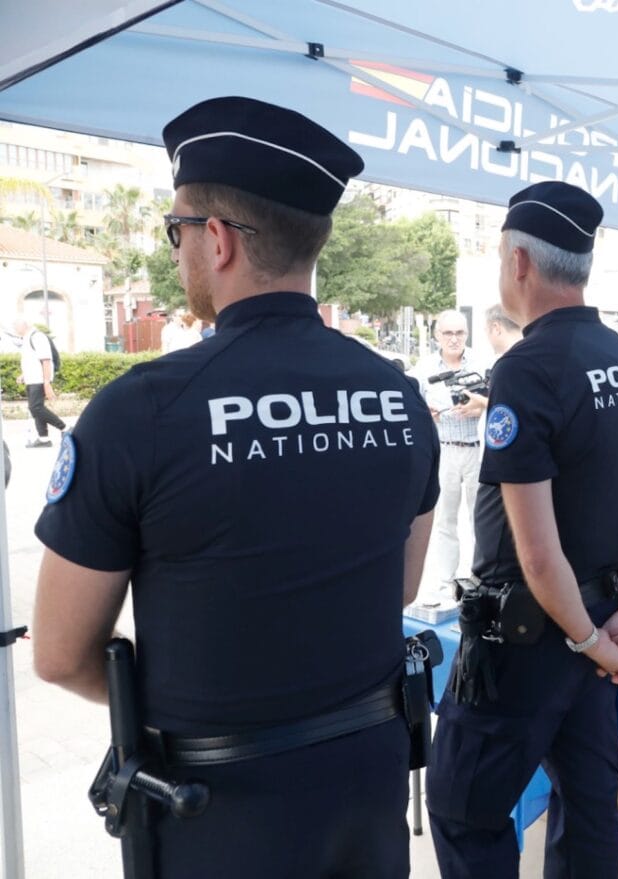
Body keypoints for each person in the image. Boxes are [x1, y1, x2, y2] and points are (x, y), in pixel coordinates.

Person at [30, 96, 440, 878]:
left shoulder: (141, 409)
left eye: (176, 231)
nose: (178, 251)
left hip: (218, 813)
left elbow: (57, 652)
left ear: (215, 240)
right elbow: (400, 583)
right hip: (366, 787)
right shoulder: (399, 396)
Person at [426, 181, 618, 879]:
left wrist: (598, 638)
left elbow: (535, 550)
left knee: (462, 808)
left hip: (532, 639)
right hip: (593, 621)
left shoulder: (527, 369)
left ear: (519, 264)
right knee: (589, 797)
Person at [410, 309, 487, 603]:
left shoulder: (481, 364)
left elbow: (497, 400)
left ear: (467, 334)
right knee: (445, 519)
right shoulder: (425, 367)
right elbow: (412, 400)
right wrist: (426, 413)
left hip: (476, 448)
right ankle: (445, 580)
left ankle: (481, 577)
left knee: (480, 517)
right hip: (444, 449)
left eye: (460, 333)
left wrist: (481, 406)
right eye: (448, 333)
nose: (454, 339)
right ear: (436, 336)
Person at [14, 317, 66, 448]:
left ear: (24, 325)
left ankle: (65, 428)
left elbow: (46, 360)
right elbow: (32, 362)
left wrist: (47, 382)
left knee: (36, 408)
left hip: (39, 379)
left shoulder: (37, 337)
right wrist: (23, 375)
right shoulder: (26, 338)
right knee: (36, 409)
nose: (14, 328)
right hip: (32, 379)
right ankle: (44, 439)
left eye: (16, 325)